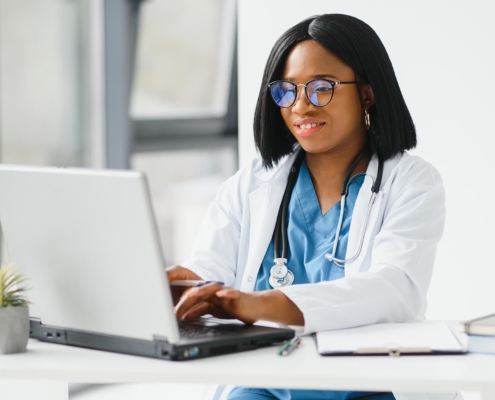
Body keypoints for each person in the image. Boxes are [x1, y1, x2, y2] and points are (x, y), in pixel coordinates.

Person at [168, 13, 456, 400]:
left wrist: (259, 303)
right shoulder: (251, 184)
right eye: (286, 91)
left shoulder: (412, 182)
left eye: (322, 88)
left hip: (369, 385)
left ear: (367, 93)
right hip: (266, 384)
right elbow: (210, 273)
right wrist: (182, 283)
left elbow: (395, 289)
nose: (301, 106)